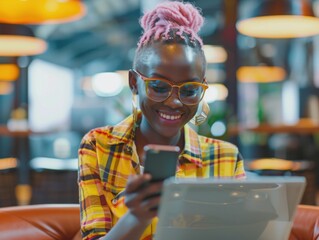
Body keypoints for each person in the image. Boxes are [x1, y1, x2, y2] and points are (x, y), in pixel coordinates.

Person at [78, 1, 246, 240]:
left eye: (189, 91)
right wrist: (137, 217)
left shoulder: (226, 157)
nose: (174, 102)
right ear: (134, 83)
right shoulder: (98, 146)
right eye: (158, 87)